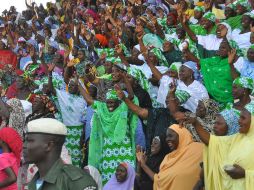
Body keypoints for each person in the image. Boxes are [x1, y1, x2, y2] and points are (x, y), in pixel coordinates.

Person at [186, 108, 254, 189]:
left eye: (243, 118)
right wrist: (195, 123)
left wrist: (245, 174)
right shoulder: (238, 137)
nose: (239, 121)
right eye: (239, 117)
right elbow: (212, 142)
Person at [24, 118, 98, 190]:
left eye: (30, 141)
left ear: (49, 145)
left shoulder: (76, 181)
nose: (24, 145)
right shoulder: (35, 181)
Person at [153, 124, 203, 190]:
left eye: (170, 136)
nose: (167, 139)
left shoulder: (199, 149)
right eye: (167, 137)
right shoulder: (168, 157)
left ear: (181, 135)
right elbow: (160, 179)